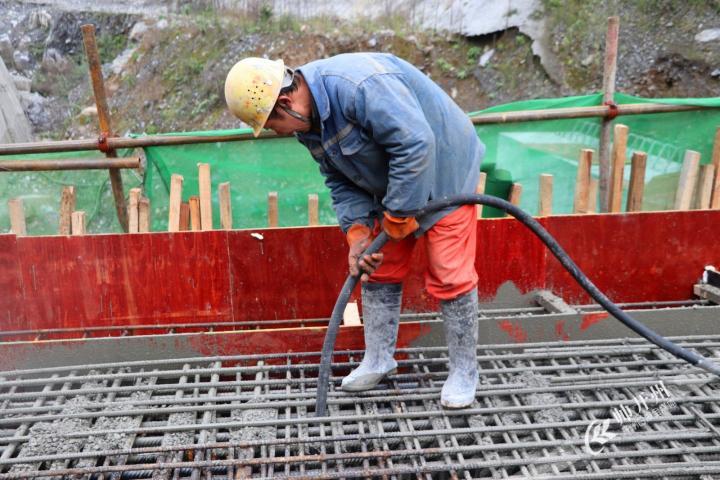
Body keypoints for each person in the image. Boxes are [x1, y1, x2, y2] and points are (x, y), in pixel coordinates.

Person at [224, 53, 485, 408]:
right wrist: (358, 231)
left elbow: (415, 143)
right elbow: (339, 178)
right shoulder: (308, 122)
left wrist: (399, 211)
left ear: (284, 103)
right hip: (395, 182)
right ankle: (379, 359)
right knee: (376, 264)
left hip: (445, 169)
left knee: (449, 271)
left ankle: (465, 372)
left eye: (271, 126)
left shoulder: (358, 88)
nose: (276, 133)